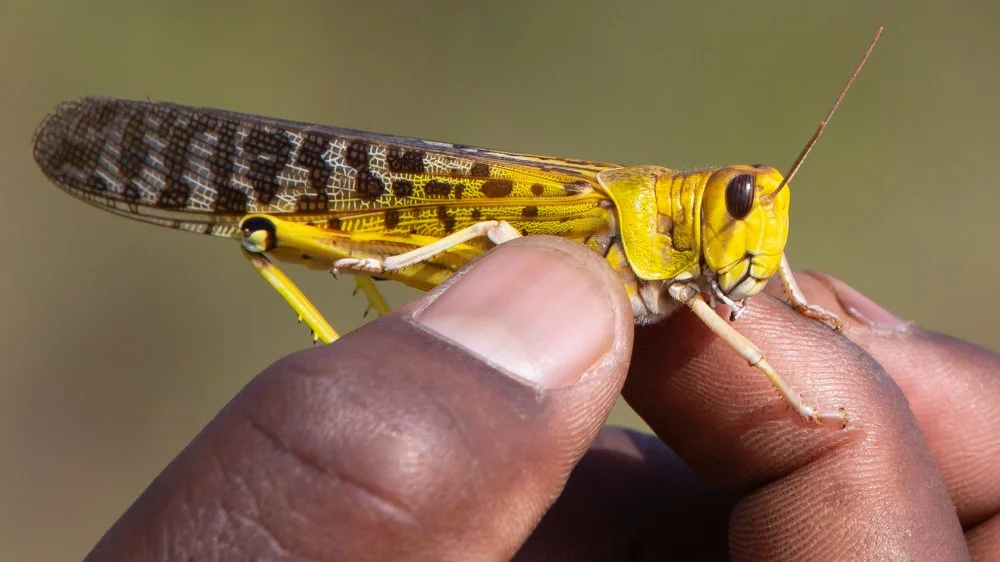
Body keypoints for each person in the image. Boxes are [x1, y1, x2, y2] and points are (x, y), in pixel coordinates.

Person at [84, 237, 997, 560]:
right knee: (270, 230)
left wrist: (796, 304)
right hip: (440, 222)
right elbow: (493, 233)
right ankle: (360, 335)